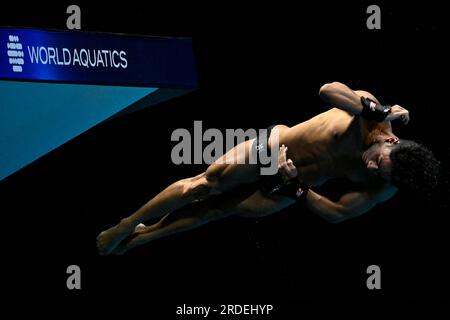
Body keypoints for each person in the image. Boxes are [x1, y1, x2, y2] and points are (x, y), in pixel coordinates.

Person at [97, 81, 439, 255]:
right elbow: (328, 90)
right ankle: (126, 224)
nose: (373, 168)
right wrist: (377, 109)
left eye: (379, 173)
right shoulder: (368, 115)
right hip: (274, 146)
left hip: (289, 186)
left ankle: (142, 239)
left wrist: (298, 190)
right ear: (391, 142)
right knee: (203, 186)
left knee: (213, 212)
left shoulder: (386, 183)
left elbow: (338, 213)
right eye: (379, 162)